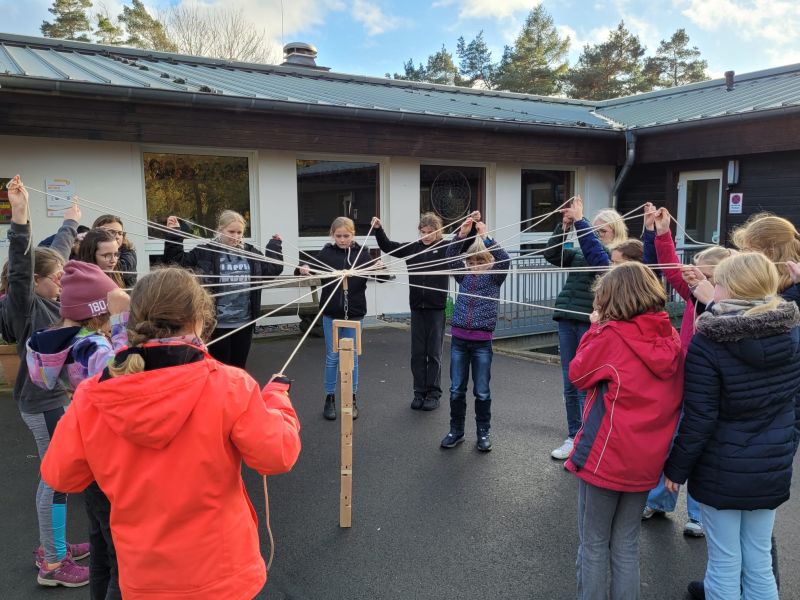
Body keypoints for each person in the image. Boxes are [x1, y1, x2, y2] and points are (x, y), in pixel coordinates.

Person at [40, 267, 302, 600]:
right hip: (222, 574)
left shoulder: (93, 396)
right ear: (199, 318)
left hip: (144, 578)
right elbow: (277, 454)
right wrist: (277, 400)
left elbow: (60, 475)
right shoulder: (229, 385)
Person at [663, 252, 800, 600]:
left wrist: (676, 469)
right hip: (772, 466)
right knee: (758, 560)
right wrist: (785, 447)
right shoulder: (792, 334)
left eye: (719, 282)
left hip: (720, 469)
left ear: (734, 288)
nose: (713, 288)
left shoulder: (709, 342)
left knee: (724, 561)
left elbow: (699, 417)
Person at [565, 261, 684, 600]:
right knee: (627, 545)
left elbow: (577, 374)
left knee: (593, 544)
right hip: (646, 461)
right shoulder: (671, 337)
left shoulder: (612, 336)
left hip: (606, 457)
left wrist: (595, 330)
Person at [3, 175, 90, 587]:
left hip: (55, 399)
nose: (62, 283)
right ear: (35, 282)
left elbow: (56, 250)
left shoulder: (49, 288)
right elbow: (22, 265)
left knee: (58, 477)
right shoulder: (24, 305)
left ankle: (54, 543)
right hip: (43, 404)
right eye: (55, 279)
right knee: (55, 479)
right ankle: (52, 563)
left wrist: (71, 221)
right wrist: (19, 216)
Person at [26, 261, 130, 599]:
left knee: (101, 537)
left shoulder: (59, 339)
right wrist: (122, 322)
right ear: (99, 309)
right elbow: (125, 377)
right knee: (118, 551)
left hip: (86, 442)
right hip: (104, 450)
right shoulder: (92, 346)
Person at [641, 206, 736, 538]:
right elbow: (669, 268)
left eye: (709, 277)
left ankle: (697, 514)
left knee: (703, 447)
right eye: (699, 275)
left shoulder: (732, 310)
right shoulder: (693, 295)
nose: (700, 281)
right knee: (673, 442)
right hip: (685, 379)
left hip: (714, 388)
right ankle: (660, 500)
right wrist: (663, 233)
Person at [543, 197, 630, 461]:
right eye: (593, 230)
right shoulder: (583, 248)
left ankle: (588, 437)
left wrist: (580, 224)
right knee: (570, 380)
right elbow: (552, 255)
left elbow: (600, 265)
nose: (595, 234)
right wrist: (564, 227)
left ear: (615, 232)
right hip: (567, 317)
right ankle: (573, 435)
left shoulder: (616, 256)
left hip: (589, 322)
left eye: (601, 230)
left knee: (587, 382)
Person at [165, 210, 283, 369]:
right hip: (216, 325)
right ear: (219, 230)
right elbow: (176, 263)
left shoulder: (250, 252)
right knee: (217, 370)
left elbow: (272, 270)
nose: (235, 236)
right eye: (231, 231)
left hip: (244, 323)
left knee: (238, 370)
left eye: (239, 232)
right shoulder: (205, 252)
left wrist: (274, 246)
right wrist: (173, 234)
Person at [298, 216, 385, 420]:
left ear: (353, 235)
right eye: (339, 236)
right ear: (332, 235)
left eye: (346, 235)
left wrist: (381, 267)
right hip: (331, 314)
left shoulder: (361, 254)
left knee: (352, 357)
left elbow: (381, 277)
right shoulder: (327, 254)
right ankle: (330, 398)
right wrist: (303, 268)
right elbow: (305, 268)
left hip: (355, 314)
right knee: (333, 357)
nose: (343, 239)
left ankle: (351, 397)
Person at [439, 215, 509, 452]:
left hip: (481, 343)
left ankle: (483, 433)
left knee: (481, 391)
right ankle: (456, 431)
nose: (477, 264)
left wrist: (486, 237)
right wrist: (461, 234)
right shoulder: (463, 276)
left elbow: (505, 259)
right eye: (472, 260)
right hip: (459, 340)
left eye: (482, 260)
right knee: (456, 389)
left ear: (489, 261)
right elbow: (450, 255)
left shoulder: (494, 279)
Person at [371, 213, 448, 411]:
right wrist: (378, 229)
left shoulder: (446, 249)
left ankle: (433, 393)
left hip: (436, 309)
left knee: (434, 353)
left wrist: (472, 229)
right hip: (417, 308)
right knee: (417, 353)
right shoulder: (412, 248)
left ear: (438, 232)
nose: (427, 236)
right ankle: (419, 392)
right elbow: (388, 247)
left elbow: (465, 246)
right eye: (423, 232)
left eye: (431, 232)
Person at [93, 215, 137, 287]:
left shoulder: (128, 252)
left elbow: (120, 268)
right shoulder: (92, 251)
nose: (117, 236)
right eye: (111, 232)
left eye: (120, 233)